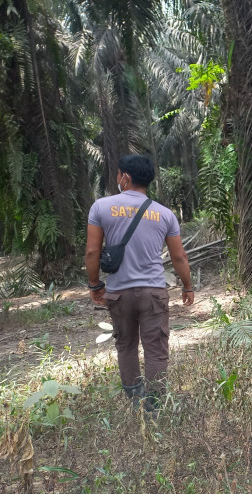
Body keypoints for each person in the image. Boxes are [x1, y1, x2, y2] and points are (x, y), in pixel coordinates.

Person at [85, 154, 194, 411]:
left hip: (118, 292)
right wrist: (187, 286)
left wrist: (94, 284)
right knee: (156, 348)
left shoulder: (101, 207)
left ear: (126, 177)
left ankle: (135, 403)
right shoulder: (165, 214)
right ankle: (155, 405)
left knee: (126, 345)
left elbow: (92, 252)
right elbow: (179, 256)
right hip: (153, 291)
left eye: (118, 174)